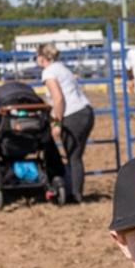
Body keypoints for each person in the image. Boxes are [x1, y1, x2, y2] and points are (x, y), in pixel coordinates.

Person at [37, 42, 94, 201]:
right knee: (75, 156)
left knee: (73, 157)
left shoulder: (48, 72)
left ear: (42, 57)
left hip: (72, 114)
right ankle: (75, 192)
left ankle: (75, 195)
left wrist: (57, 123)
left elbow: (58, 98)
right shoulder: (62, 68)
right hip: (85, 111)